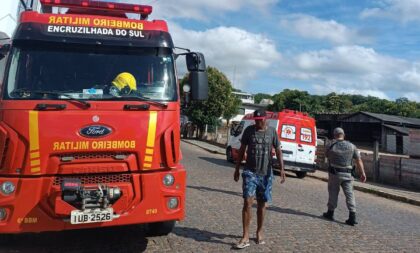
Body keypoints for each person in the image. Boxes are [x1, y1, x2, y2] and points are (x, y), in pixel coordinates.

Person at [233, 109, 285, 249]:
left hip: (266, 173)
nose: (257, 122)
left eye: (260, 120)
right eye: (255, 120)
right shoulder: (249, 131)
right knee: (247, 202)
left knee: (262, 204)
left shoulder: (272, 132)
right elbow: (242, 150)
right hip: (250, 172)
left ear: (265, 119)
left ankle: (259, 231)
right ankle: (245, 236)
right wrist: (237, 169)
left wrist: (282, 169)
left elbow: (278, 150)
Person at [322, 127, 367, 226]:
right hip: (348, 174)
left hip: (334, 173)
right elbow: (358, 160)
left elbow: (326, 155)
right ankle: (352, 216)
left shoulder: (331, 145)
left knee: (333, 193)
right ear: (343, 135)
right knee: (350, 195)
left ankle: (330, 213)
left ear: (334, 135)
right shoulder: (352, 146)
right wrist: (362, 173)